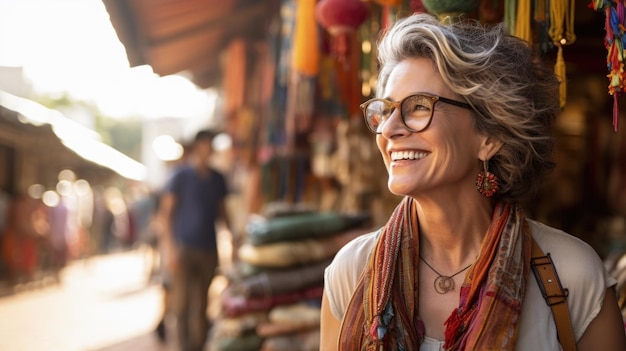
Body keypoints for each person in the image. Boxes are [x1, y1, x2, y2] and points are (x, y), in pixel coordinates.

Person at [320, 13, 626, 351]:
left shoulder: (572, 275)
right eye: (386, 110)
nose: (390, 130)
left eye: (419, 106)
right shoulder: (352, 272)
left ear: (489, 136)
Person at [160, 129, 233, 351]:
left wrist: (233, 239)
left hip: (208, 249)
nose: (210, 149)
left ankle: (198, 346)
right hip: (183, 248)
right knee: (181, 305)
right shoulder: (180, 176)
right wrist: (170, 248)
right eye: (208, 144)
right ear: (199, 146)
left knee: (201, 305)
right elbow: (167, 215)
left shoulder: (218, 178)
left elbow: (223, 213)